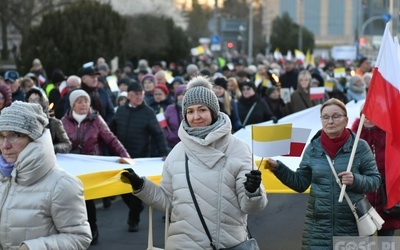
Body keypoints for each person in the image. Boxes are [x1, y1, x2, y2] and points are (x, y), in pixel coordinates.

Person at [120, 76, 268, 249]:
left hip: (226, 244)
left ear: (213, 111)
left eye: (202, 110)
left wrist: (252, 191)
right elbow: (168, 202)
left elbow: (252, 207)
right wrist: (142, 187)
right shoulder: (176, 153)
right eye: (190, 111)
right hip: (183, 244)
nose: (196, 116)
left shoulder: (238, 148)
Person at [265, 98, 381, 248]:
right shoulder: (313, 148)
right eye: (325, 117)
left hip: (351, 227)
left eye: (336, 116)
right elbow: (300, 183)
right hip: (317, 229)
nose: (330, 121)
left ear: (346, 120)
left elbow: (375, 180)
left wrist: (355, 180)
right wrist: (278, 168)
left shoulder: (359, 146)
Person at [0, 101, 91, 249]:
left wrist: (31, 248)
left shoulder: (63, 184)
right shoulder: (3, 176)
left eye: (15, 135)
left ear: (34, 138)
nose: (5, 145)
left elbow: (80, 237)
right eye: (1, 136)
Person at [61, 89, 130, 244]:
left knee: (87, 200)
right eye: (79, 101)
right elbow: (56, 143)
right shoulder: (63, 122)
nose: (84, 104)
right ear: (72, 104)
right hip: (70, 168)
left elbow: (111, 140)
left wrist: (125, 156)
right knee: (72, 201)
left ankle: (92, 229)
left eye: (86, 101)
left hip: (90, 166)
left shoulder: (96, 119)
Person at [109, 81, 169, 232]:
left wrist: (164, 151)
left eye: (141, 94)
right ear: (128, 96)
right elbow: (111, 132)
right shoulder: (120, 111)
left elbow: (157, 133)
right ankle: (137, 208)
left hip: (140, 157)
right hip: (121, 157)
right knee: (123, 188)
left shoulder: (148, 112)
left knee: (136, 188)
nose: (139, 97)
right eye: (136, 95)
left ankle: (133, 220)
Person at [352, 108, 400, 236]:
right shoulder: (353, 139)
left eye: (371, 113)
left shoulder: (392, 137)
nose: (367, 118)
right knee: (363, 244)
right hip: (363, 202)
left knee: (386, 244)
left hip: (387, 203)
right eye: (363, 114)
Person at [25, 88, 72, 153]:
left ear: (43, 103)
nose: (32, 103)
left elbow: (67, 144)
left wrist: (52, 148)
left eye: (36, 100)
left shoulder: (54, 123)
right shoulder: (23, 122)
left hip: (48, 159)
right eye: (30, 100)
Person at [163, 84, 186, 149]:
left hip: (188, 144)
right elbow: (163, 125)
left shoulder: (192, 109)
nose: (181, 97)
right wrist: (168, 136)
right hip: (172, 144)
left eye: (183, 94)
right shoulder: (170, 109)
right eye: (179, 95)